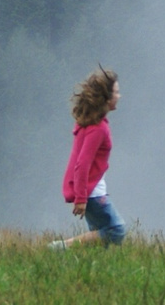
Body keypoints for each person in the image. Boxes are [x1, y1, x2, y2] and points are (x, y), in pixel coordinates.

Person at [50, 67, 126, 248]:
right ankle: (60, 247)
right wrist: (81, 199)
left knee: (99, 240)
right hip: (91, 193)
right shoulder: (98, 129)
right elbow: (82, 164)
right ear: (106, 98)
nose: (119, 96)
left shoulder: (91, 124)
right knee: (116, 230)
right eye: (116, 92)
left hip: (91, 189)